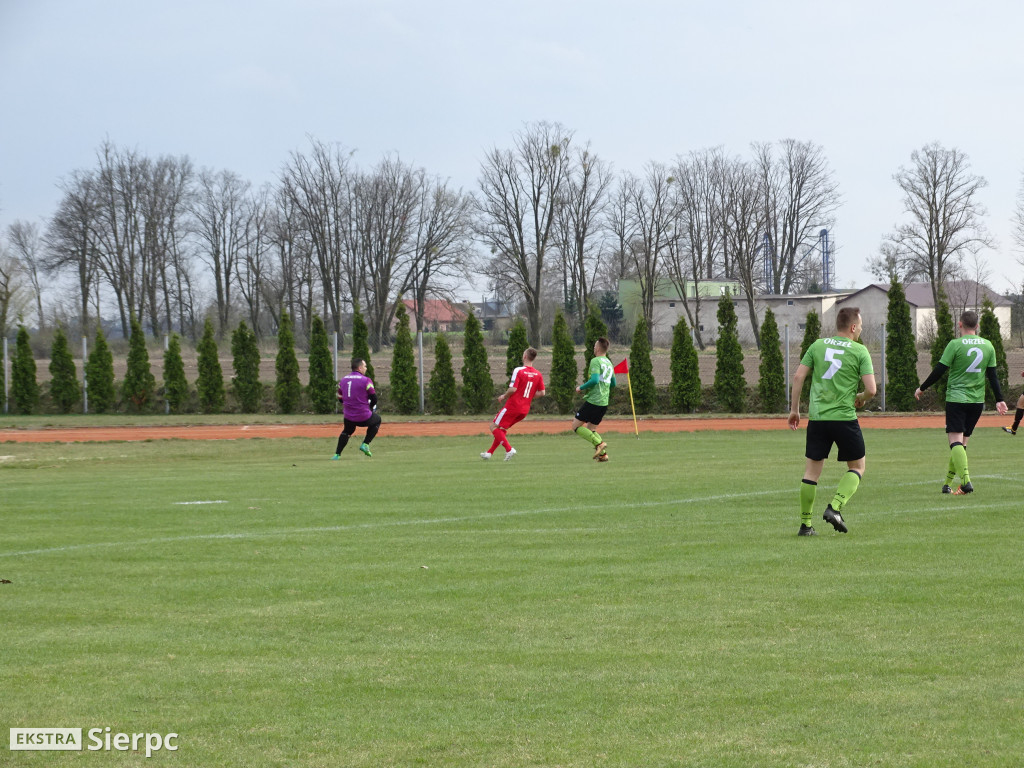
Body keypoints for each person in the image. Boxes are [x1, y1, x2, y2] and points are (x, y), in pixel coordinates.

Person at [788, 307, 876, 536]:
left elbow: (798, 376)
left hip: (817, 418)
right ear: (853, 327)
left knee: (811, 472)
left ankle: (805, 525)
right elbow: (871, 390)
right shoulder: (859, 351)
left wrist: (794, 410)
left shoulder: (817, 345)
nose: (861, 330)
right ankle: (835, 507)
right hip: (844, 418)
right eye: (861, 326)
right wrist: (861, 398)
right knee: (857, 466)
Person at [915, 310, 1007, 493]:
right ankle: (947, 484)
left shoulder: (955, 344)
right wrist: (999, 399)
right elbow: (993, 376)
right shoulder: (988, 345)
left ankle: (966, 481)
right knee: (962, 444)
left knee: (955, 441)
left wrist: (922, 387)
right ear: (977, 325)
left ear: (960, 325)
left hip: (957, 399)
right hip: (976, 401)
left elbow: (939, 370)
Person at [481, 347, 546, 461]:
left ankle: (509, 449)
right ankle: (489, 453)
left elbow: (513, 389)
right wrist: (529, 396)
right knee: (501, 429)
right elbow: (542, 393)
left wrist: (504, 396)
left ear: (524, 356)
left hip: (513, 406)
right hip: (524, 409)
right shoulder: (538, 374)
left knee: (493, 426)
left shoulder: (519, 370)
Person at [571, 337, 616, 462]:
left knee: (575, 426)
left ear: (597, 348)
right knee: (591, 429)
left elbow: (595, 380)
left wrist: (581, 387)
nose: (594, 348)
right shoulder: (608, 362)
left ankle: (599, 444)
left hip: (594, 400)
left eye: (595, 346)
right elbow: (613, 383)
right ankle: (603, 455)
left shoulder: (596, 361)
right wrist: (604, 388)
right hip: (604, 402)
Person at [332, 358, 381, 459]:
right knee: (377, 420)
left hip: (349, 416)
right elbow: (374, 398)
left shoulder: (343, 380)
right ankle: (365, 444)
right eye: (365, 366)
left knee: (347, 431)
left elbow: (340, 398)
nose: (366, 368)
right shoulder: (366, 380)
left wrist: (349, 404)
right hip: (363, 416)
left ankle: (337, 454)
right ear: (359, 368)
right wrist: (371, 408)